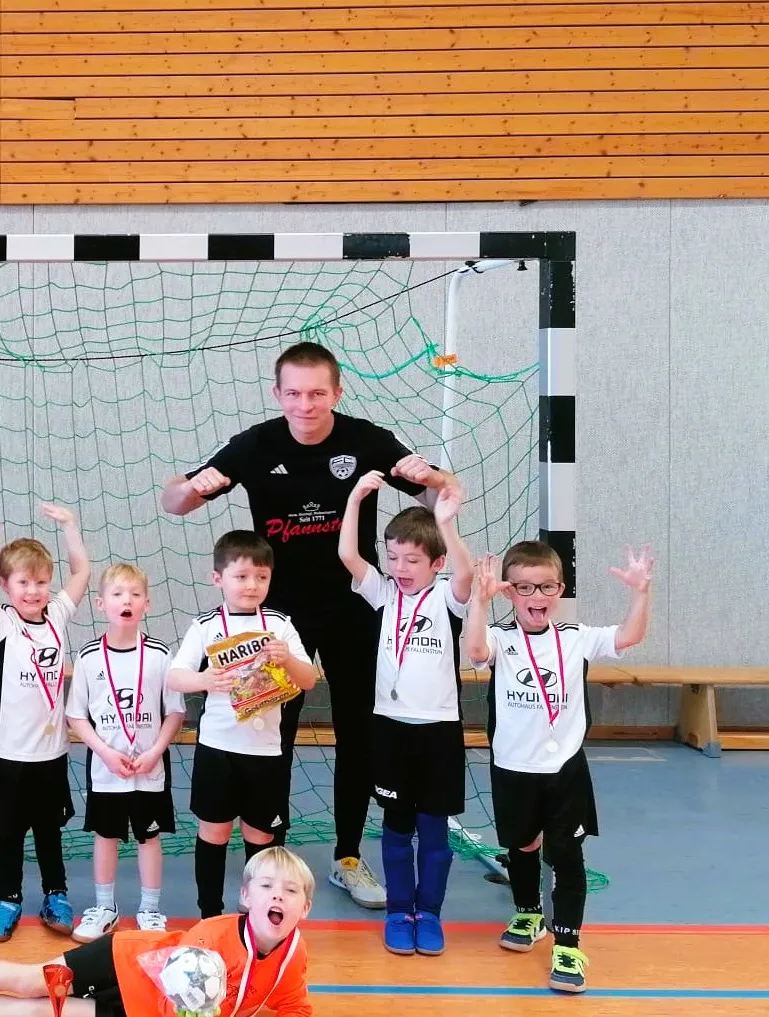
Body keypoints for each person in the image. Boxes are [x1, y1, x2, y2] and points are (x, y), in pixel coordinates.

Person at [160, 340, 458, 909]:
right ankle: (270, 861)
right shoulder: (256, 444)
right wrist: (192, 484)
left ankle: (347, 856)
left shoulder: (366, 439)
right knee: (273, 732)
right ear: (278, 394)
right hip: (275, 619)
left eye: (317, 393)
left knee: (358, 733)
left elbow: (440, 491)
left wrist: (435, 475)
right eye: (294, 393)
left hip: (355, 608)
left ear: (337, 393)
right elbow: (173, 502)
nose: (305, 404)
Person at [464, 541, 654, 994]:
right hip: (512, 767)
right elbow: (475, 649)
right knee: (522, 845)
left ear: (560, 589)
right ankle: (529, 914)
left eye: (546, 586)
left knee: (567, 854)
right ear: (510, 592)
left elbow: (628, 636)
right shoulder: (501, 638)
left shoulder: (575, 637)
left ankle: (568, 944)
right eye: (525, 587)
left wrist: (641, 592)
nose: (537, 596)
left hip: (565, 769)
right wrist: (479, 601)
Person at [0, 845, 314, 1017]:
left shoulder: (292, 957)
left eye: (290, 891)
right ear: (245, 896)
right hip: (119, 961)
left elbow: (295, 1007)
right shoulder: (212, 938)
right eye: (267, 886)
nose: (277, 896)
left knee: (39, 1015)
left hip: (135, 1012)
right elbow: (172, 999)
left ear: (305, 908)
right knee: (32, 983)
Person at [338, 472, 473, 957]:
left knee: (433, 833)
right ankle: (399, 911)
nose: (400, 567)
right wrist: (355, 498)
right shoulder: (384, 593)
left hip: (438, 731)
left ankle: (429, 913)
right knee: (396, 828)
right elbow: (348, 555)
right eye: (393, 557)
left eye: (412, 560)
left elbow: (466, 575)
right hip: (389, 729)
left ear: (435, 563)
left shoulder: (447, 597)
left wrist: (446, 523)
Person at [166, 531, 319, 919]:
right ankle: (210, 916)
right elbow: (175, 676)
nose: (252, 585)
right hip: (217, 749)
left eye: (261, 577)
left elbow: (309, 679)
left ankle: (257, 914)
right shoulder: (205, 626)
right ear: (218, 578)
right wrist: (204, 679)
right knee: (214, 832)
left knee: (261, 835)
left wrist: (287, 659)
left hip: (265, 752)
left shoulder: (280, 626)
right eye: (242, 576)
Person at [0, 506, 91, 943]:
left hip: (51, 753)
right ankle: (8, 900)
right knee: (10, 833)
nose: (33, 591)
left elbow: (82, 571)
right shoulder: (1, 623)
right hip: (9, 754)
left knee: (49, 831)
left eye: (40, 582)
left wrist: (70, 526)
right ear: (6, 585)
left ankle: (56, 895)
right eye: (23, 583)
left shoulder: (57, 614)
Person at [65, 563, 186, 942]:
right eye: (117, 594)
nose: (126, 601)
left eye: (135, 594)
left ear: (147, 603)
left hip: (150, 768)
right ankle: (105, 907)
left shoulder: (160, 654)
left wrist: (155, 751)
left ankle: (150, 909)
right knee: (106, 836)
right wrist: (103, 752)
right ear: (101, 604)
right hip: (107, 769)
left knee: (150, 838)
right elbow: (75, 715)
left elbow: (175, 712)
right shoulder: (88, 657)